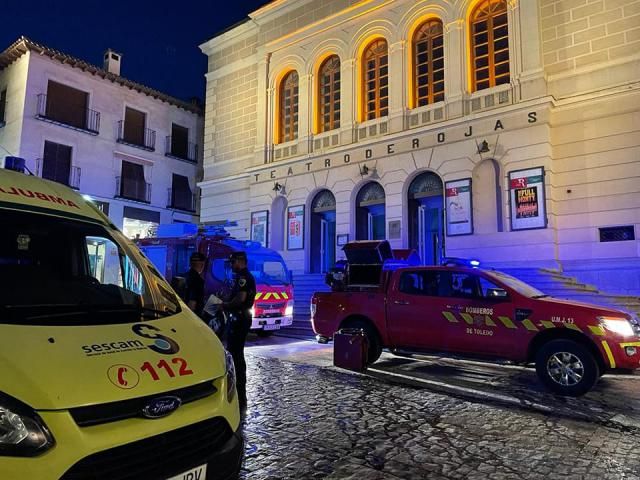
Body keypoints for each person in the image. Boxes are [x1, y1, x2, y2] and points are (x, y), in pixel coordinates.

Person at [220, 251, 256, 410]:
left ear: (240, 261)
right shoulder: (244, 276)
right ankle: (239, 390)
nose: (232, 265)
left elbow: (240, 299)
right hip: (242, 318)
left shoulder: (243, 277)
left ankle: (240, 391)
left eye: (233, 262)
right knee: (236, 352)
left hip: (239, 318)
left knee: (236, 354)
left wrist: (225, 305)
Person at [184, 251, 206, 317]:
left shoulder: (184, 276)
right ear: (202, 264)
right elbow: (192, 303)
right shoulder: (198, 280)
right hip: (192, 316)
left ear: (190, 263)